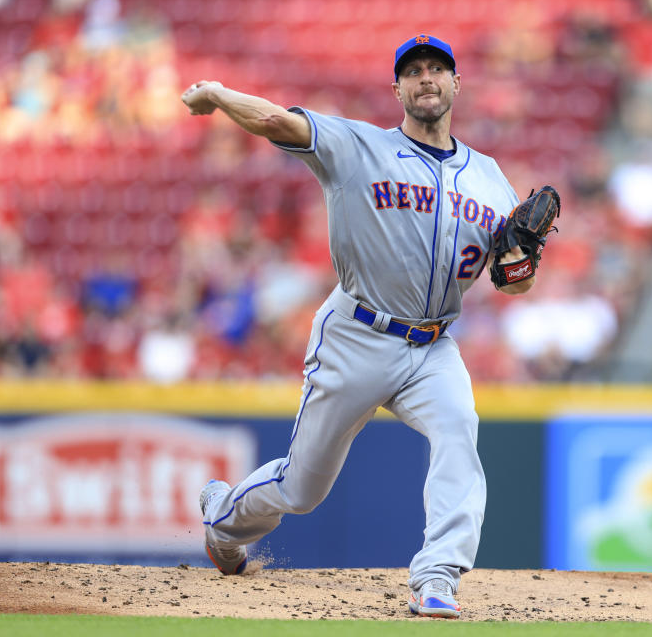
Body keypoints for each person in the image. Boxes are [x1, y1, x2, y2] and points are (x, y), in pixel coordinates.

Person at [181, 34, 546, 619]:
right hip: (356, 335)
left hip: (433, 344)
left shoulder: (491, 178)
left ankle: (438, 576)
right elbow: (278, 119)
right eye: (414, 71)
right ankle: (224, 520)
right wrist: (220, 95)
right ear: (396, 88)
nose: (427, 78)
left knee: (459, 429)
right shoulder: (358, 147)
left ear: (457, 84)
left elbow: (516, 282)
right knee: (303, 489)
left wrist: (520, 264)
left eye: (438, 69)